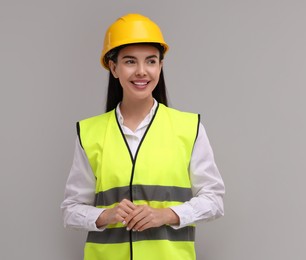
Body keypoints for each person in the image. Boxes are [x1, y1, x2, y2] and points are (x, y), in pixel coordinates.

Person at [60, 13, 225, 260]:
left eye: (151, 61)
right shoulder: (89, 133)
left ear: (160, 66)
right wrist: (106, 215)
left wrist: (167, 215)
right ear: (113, 68)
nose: (141, 71)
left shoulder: (188, 127)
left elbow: (214, 201)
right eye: (129, 61)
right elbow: (70, 211)